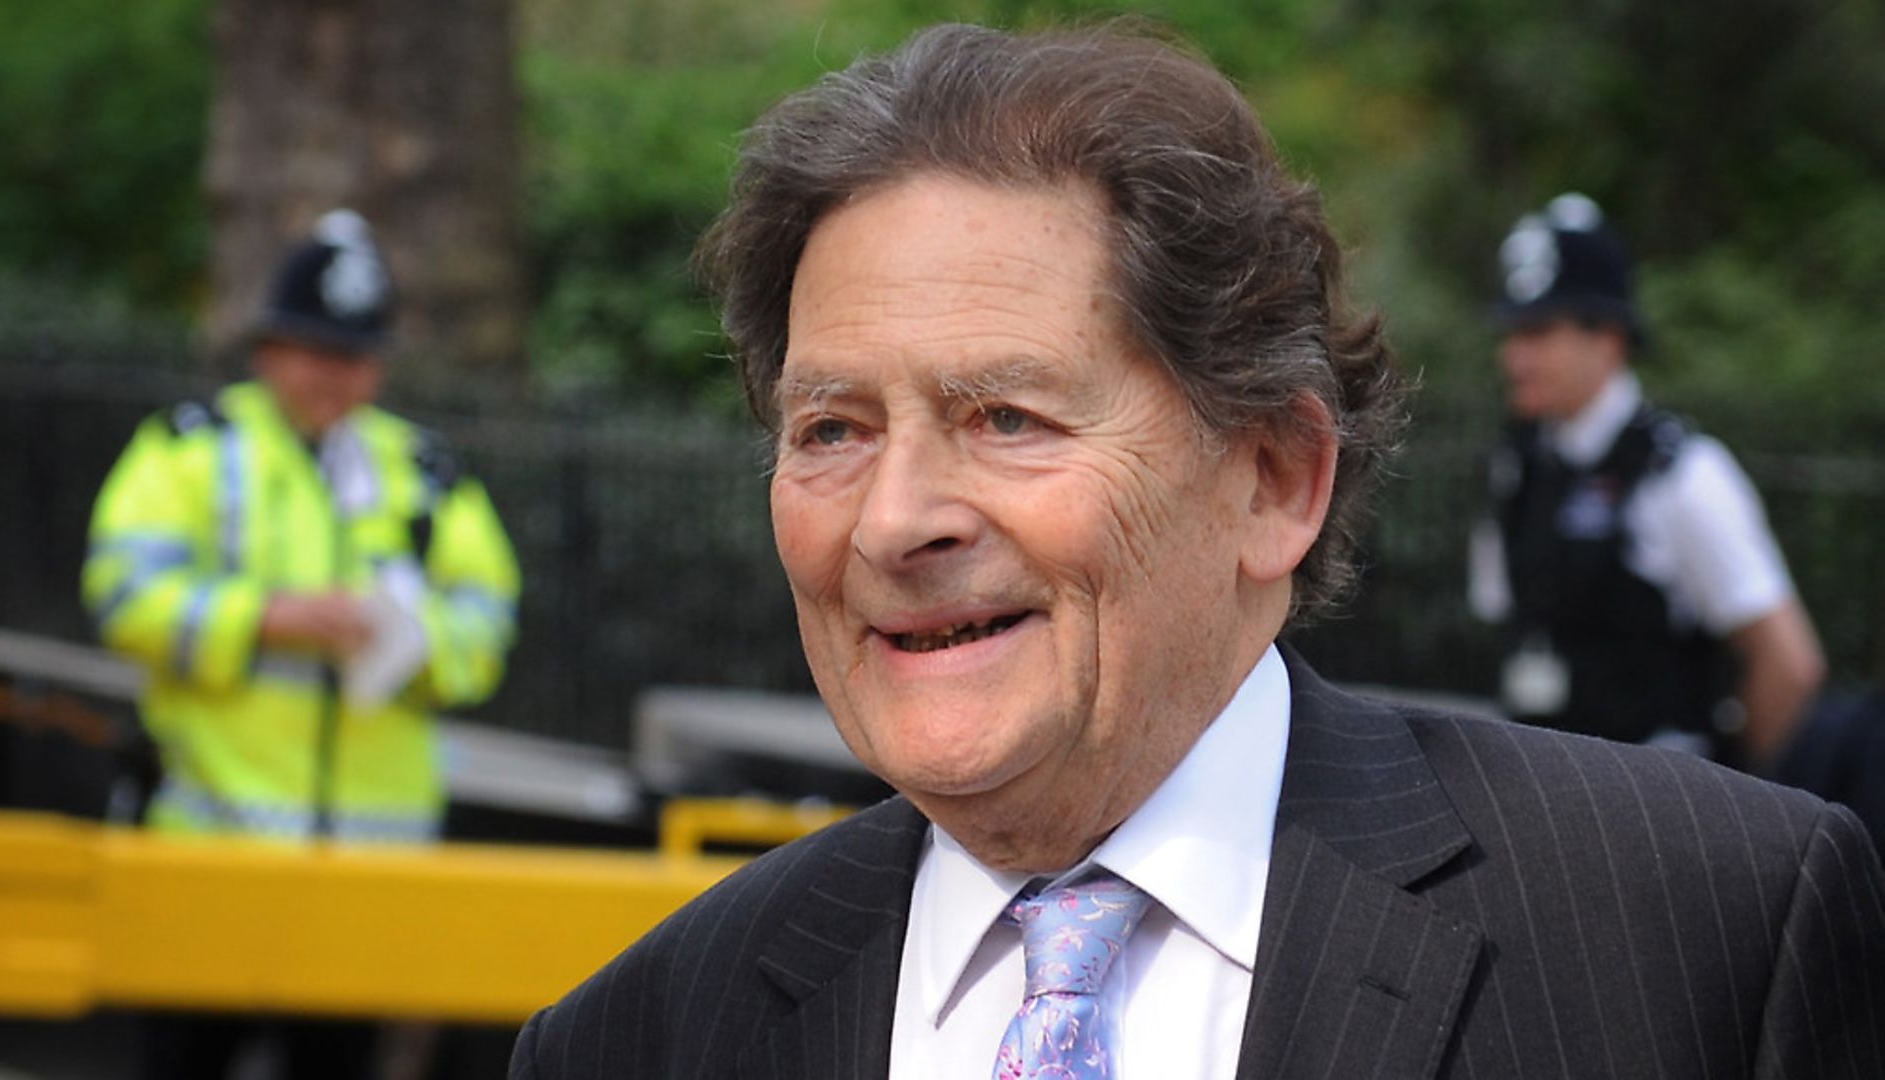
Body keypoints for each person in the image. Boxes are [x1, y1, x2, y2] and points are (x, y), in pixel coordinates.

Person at [511, 24, 1885, 1079]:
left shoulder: (1704, 938)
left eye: (1007, 416)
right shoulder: (639, 1036)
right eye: (830, 429)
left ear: (1276, 479)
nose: (892, 519)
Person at [83, 209, 521, 1078]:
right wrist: (267, 618)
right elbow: (122, 594)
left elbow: (488, 618)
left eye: (356, 358)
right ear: (268, 350)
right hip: (213, 855)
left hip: (365, 873)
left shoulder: (423, 470)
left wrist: (414, 643)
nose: (338, 378)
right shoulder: (191, 451)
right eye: (318, 353)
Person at [1468, 193, 1826, 770]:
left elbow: (1788, 664)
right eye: (1510, 333)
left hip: (1659, 814)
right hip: (1543, 795)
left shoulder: (1682, 474)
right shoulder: (1519, 470)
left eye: (1538, 331)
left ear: (1607, 339)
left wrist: (1742, 803)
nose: (1515, 356)